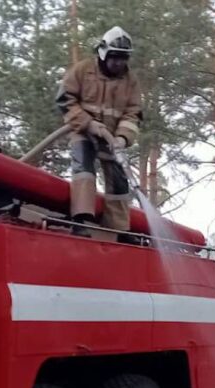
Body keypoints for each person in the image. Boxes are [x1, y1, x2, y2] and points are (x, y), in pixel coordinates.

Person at [55, 26, 142, 241]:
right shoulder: (83, 70)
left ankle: (119, 229)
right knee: (84, 169)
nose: (119, 63)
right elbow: (65, 99)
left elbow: (133, 113)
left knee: (119, 180)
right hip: (83, 130)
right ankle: (81, 219)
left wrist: (122, 137)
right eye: (115, 57)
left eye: (123, 58)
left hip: (112, 137)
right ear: (104, 53)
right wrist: (88, 123)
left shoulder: (130, 81)